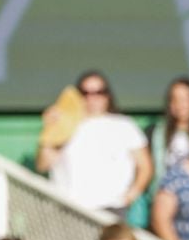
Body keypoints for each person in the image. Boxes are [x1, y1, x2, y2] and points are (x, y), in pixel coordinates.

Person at [41, 70, 150, 214]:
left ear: (107, 95)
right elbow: (43, 164)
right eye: (85, 93)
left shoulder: (124, 125)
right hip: (70, 210)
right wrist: (51, 129)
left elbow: (145, 166)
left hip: (112, 208)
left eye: (99, 92)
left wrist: (131, 195)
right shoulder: (66, 125)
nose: (92, 98)